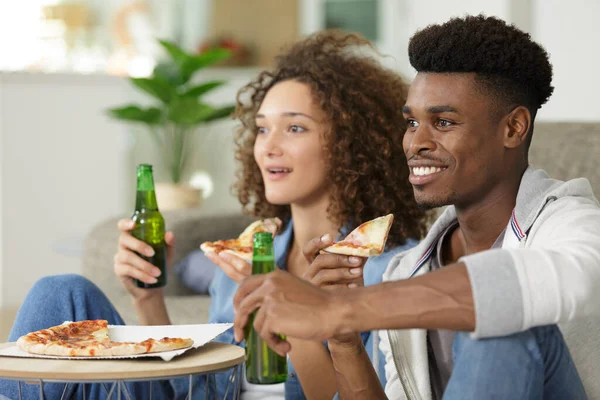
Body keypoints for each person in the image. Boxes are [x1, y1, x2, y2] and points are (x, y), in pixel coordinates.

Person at [0, 31, 429, 400]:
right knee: (61, 292)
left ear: (352, 143)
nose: (268, 146)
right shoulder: (245, 255)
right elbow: (190, 386)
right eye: (262, 128)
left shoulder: (384, 269)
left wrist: (276, 304)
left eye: (294, 128)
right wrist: (149, 298)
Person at [232, 15, 600, 400]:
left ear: (513, 128)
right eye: (411, 122)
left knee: (504, 321)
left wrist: (342, 308)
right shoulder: (406, 272)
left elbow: (572, 279)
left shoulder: (572, 220)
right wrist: (344, 340)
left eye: (442, 122)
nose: (414, 143)